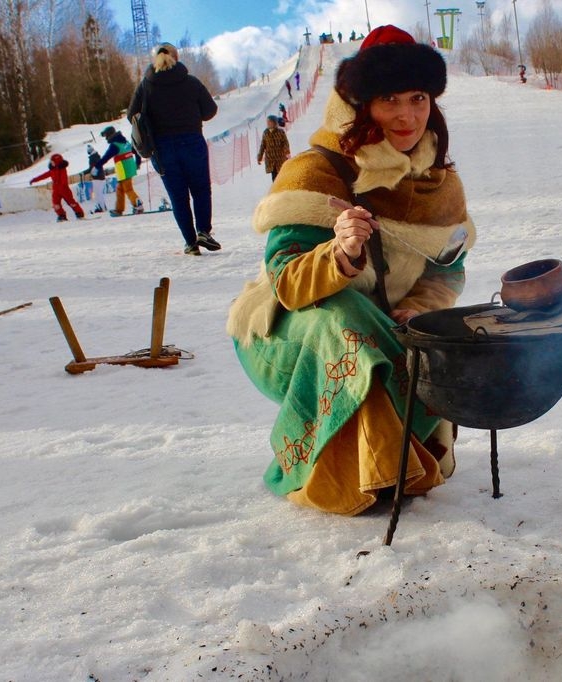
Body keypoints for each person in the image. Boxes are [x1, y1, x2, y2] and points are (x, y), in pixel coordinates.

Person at [226, 25, 475, 515]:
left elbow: (448, 270)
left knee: (423, 335)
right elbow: (286, 283)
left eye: (418, 97)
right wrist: (339, 255)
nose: (406, 115)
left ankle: (399, 456)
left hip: (385, 329)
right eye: (388, 100)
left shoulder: (441, 185)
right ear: (362, 106)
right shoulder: (317, 169)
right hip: (289, 332)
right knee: (342, 317)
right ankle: (355, 477)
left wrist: (416, 310)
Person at [128, 42, 220, 255]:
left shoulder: (146, 85)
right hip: (192, 142)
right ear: (176, 57)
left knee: (179, 197)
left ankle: (190, 243)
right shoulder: (190, 82)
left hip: (162, 149)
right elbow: (210, 110)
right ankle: (203, 231)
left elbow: (132, 115)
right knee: (201, 190)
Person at [96, 126, 144, 217]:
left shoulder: (114, 145)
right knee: (120, 189)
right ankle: (119, 210)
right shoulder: (125, 142)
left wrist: (97, 166)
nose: (106, 138)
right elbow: (136, 151)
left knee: (128, 189)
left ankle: (138, 205)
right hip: (127, 168)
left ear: (110, 135)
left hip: (124, 169)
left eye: (106, 135)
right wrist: (137, 163)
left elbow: (106, 157)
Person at [29, 153, 85, 221]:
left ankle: (79, 213)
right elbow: (43, 176)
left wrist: (62, 186)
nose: (51, 163)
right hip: (56, 190)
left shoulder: (62, 170)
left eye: (52, 162)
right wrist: (34, 180)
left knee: (71, 202)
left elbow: (64, 180)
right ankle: (61, 215)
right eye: (51, 162)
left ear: (57, 162)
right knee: (55, 204)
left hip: (64, 189)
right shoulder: (52, 170)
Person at [257, 114, 291, 182]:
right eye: (267, 122)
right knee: (274, 177)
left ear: (274, 123)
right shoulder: (266, 133)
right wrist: (259, 157)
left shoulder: (280, 132)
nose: (268, 123)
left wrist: (287, 152)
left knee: (281, 174)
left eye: (270, 122)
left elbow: (285, 142)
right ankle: (276, 190)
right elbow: (263, 145)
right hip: (271, 159)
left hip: (280, 158)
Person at [82, 144, 109, 213]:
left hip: (97, 177)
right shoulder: (97, 156)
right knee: (99, 193)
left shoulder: (92, 158)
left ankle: (102, 208)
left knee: (98, 194)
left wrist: (84, 173)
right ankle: (102, 207)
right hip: (101, 176)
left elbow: (91, 168)